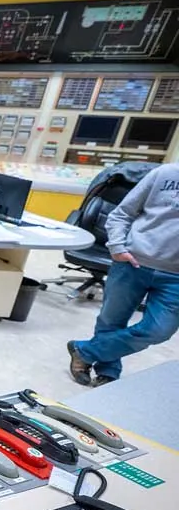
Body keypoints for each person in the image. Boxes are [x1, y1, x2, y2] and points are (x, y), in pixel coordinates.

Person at [68, 162, 179, 387]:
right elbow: (122, 213)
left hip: (175, 276)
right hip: (133, 261)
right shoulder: (165, 174)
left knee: (158, 330)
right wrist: (118, 247)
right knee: (112, 320)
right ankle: (108, 370)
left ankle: (84, 351)